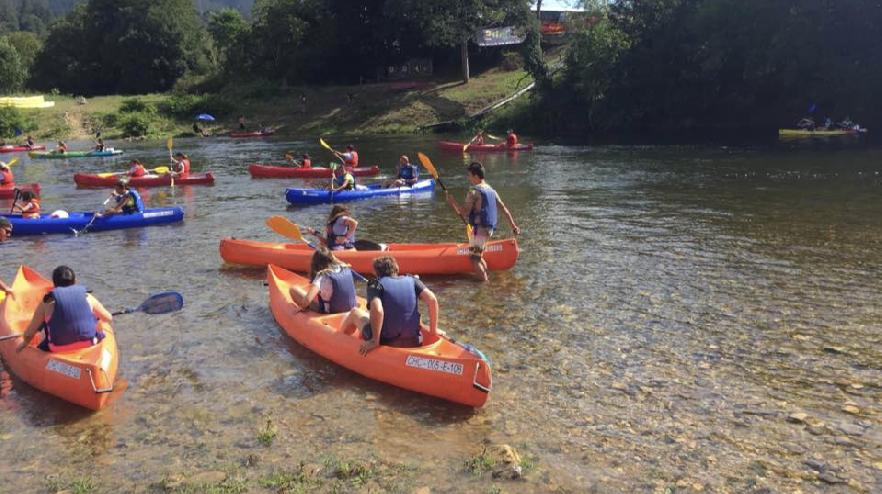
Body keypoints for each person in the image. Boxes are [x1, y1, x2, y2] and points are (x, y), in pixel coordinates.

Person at [339, 256, 439, 354]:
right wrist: (433, 331)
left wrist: (375, 340)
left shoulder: (375, 284)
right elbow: (432, 299)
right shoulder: (413, 280)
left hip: (387, 341)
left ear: (375, 272)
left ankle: (337, 340)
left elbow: (377, 309)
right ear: (396, 268)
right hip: (414, 341)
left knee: (355, 312)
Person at [446, 162, 521, 281]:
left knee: (474, 259)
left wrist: (452, 202)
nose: (469, 178)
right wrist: (514, 226)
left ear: (476, 176)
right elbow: (504, 209)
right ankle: (486, 276)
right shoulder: (492, 190)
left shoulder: (474, 192)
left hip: (480, 230)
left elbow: (464, 212)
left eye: (470, 175)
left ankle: (484, 286)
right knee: (478, 256)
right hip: (489, 229)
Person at [16, 265, 112, 353]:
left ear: (54, 284)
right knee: (96, 319)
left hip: (57, 348)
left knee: (44, 325)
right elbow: (108, 318)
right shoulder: (87, 297)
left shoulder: (47, 303)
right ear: (75, 281)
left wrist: (23, 344)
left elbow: (28, 334)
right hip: (89, 343)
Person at [288, 247, 357, 314]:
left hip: (332, 311)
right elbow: (336, 260)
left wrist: (301, 306)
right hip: (350, 307)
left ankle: (308, 312)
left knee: (293, 290)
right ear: (331, 258)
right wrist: (329, 255)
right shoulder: (344, 266)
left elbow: (307, 300)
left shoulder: (322, 276)